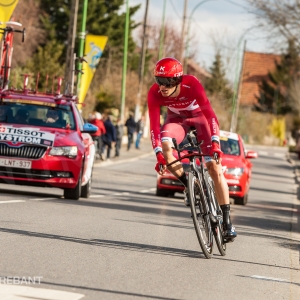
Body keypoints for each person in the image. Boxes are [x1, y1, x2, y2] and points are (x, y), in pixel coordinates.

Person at [147, 57, 237, 241]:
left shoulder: (192, 84)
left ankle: (227, 222)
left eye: (166, 82)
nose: (161, 86)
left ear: (177, 80)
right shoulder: (154, 93)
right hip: (176, 122)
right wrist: (158, 155)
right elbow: (154, 126)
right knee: (165, 147)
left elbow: (210, 114)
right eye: (158, 81)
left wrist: (215, 144)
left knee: (214, 168)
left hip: (200, 119)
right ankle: (188, 183)